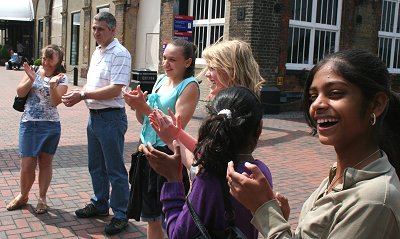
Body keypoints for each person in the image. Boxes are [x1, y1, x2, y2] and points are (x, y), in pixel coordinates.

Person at [226, 49, 400, 238]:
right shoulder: (338, 174)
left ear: (376, 104)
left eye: (335, 93)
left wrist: (263, 209)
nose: (317, 104)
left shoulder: (374, 200)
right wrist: (279, 219)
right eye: (313, 96)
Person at [142, 86, 273, 238]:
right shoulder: (261, 173)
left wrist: (173, 179)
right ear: (259, 129)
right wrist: (176, 135)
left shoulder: (208, 178)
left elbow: (178, 235)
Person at [61, 12, 131, 235]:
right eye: (93, 28)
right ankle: (100, 203)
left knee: (115, 169)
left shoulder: (120, 53)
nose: (95, 33)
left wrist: (82, 95)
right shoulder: (97, 51)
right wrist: (82, 95)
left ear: (113, 30)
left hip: (111, 118)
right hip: (95, 117)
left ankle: (120, 214)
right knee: (96, 166)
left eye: (100, 29)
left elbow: (115, 89)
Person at [123, 38, 199, 239]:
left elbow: (175, 129)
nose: (166, 64)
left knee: (170, 217)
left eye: (172, 60)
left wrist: (145, 106)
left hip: (167, 153)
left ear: (187, 62)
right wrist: (137, 106)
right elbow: (144, 121)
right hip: (146, 149)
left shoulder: (189, 86)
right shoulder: (161, 80)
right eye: (164, 58)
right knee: (151, 216)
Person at [148, 39, 265, 171]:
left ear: (231, 71)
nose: (207, 74)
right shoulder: (240, 104)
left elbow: (203, 166)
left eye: (212, 68)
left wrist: (171, 140)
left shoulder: (235, 110)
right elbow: (204, 150)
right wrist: (177, 133)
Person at [6, 44, 68, 214]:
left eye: (51, 59)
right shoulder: (33, 69)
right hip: (29, 123)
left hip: (50, 125)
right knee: (27, 164)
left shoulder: (62, 78)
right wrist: (33, 78)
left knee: (45, 163)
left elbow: (56, 102)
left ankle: (42, 197)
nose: (46, 62)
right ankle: (23, 195)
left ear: (58, 61)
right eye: (45, 58)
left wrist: (51, 85)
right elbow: (20, 91)